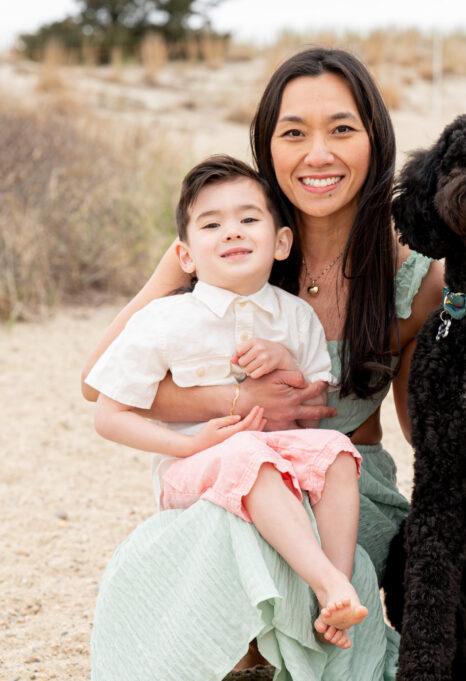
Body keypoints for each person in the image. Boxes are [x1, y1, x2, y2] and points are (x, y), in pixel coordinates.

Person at [81, 48, 443, 680]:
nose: (318, 154)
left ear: (375, 139)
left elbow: (427, 433)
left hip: (343, 490)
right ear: (267, 145)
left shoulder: (413, 274)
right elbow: (98, 384)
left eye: (341, 129)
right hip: (233, 471)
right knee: (233, 511)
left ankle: (282, 648)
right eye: (294, 133)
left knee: (276, 528)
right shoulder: (230, 243)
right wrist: (237, 402)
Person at [86, 155, 368, 649]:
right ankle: (326, 582)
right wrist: (191, 446)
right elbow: (107, 416)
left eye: (248, 219)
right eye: (212, 224)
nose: (232, 231)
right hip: (190, 469)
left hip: (276, 461)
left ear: (281, 242)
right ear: (187, 255)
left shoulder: (295, 316)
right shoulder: (165, 320)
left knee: (338, 452)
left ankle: (335, 590)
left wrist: (283, 359)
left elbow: (313, 400)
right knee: (245, 453)